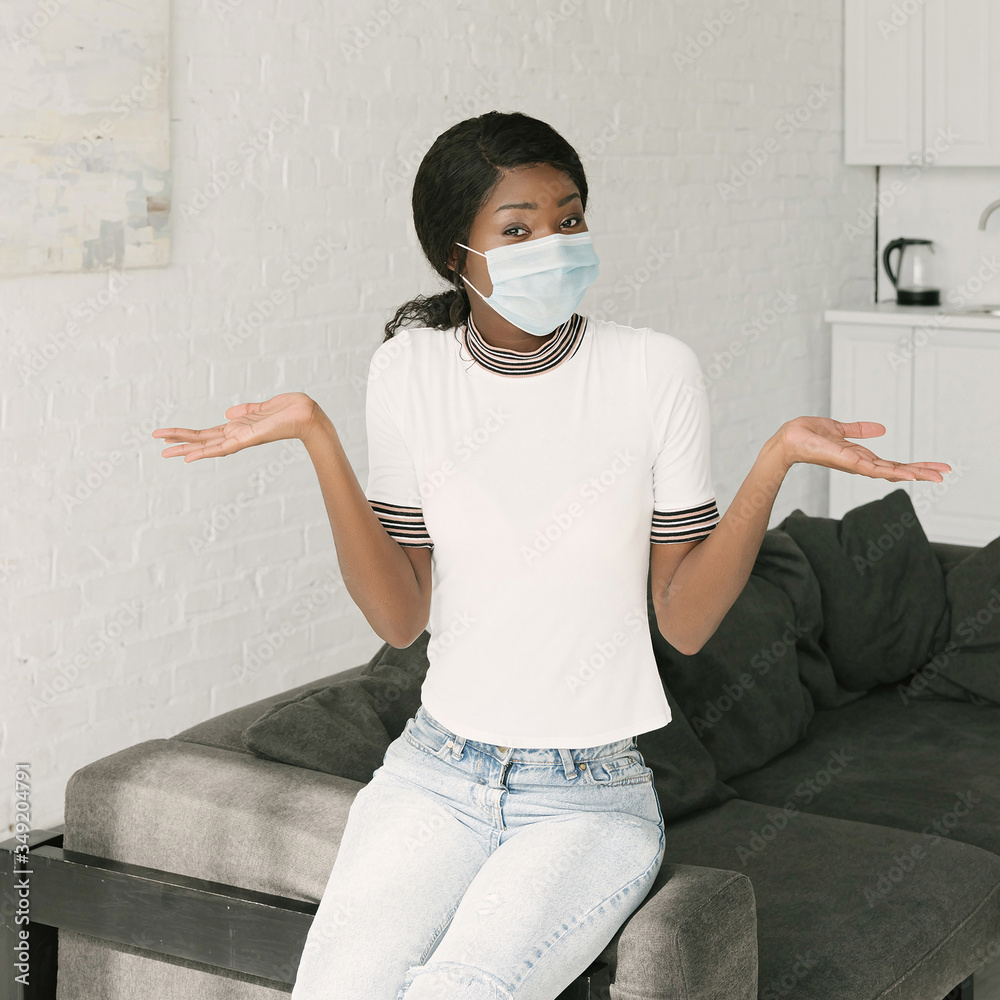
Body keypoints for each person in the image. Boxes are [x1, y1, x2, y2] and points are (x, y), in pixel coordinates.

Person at [152, 111, 951, 1000]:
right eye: (519, 228)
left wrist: (775, 461)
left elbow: (683, 624)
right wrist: (317, 439)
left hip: (589, 798)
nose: (554, 245)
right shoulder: (408, 371)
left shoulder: (654, 372)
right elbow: (399, 615)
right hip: (434, 772)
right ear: (457, 254)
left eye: (568, 220)